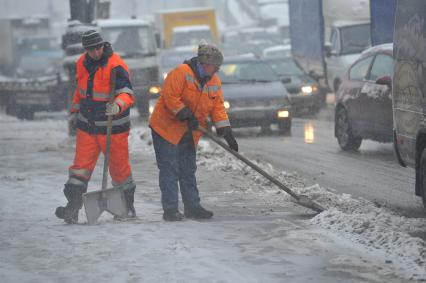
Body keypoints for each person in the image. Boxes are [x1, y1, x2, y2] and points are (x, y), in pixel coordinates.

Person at [149, 42, 239, 221]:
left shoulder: (213, 81)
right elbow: (170, 97)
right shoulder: (181, 72)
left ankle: (192, 207)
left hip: (189, 131)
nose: (217, 71)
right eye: (216, 67)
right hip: (166, 128)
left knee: (187, 170)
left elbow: (217, 107)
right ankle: (170, 210)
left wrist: (226, 131)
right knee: (169, 169)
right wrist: (184, 114)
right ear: (205, 64)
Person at [55, 30, 136, 224]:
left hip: (113, 127)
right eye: (91, 50)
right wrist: (74, 112)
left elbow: (127, 93)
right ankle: (72, 209)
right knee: (79, 170)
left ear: (103, 45)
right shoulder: (81, 63)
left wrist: (117, 105)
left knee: (120, 170)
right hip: (88, 126)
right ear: (86, 50)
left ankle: (126, 208)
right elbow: (80, 92)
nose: (96, 53)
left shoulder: (117, 65)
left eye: (98, 48)